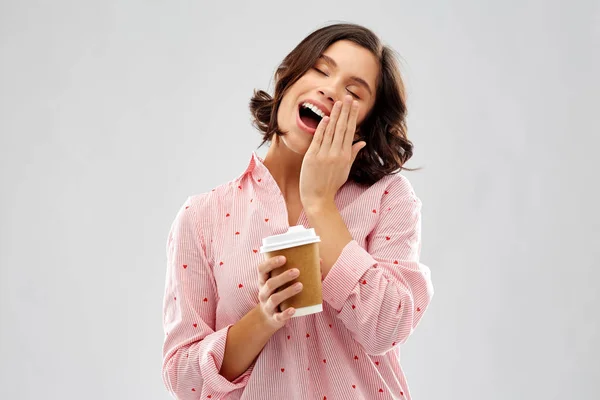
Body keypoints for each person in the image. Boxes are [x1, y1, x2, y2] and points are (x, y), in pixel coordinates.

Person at [161, 22, 434, 400]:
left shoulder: (389, 198)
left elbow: (388, 326)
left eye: (354, 92)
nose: (331, 89)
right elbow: (184, 379)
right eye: (321, 70)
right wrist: (263, 318)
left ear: (364, 126)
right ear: (288, 78)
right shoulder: (202, 216)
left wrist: (321, 205)